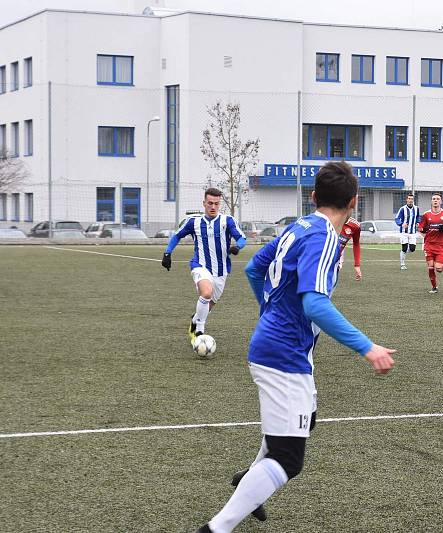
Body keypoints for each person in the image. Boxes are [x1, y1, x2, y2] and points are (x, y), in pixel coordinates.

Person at [194, 161, 395, 533]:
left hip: (283, 347)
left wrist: (270, 313)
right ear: (354, 202)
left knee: (307, 420)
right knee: (288, 458)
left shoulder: (299, 226)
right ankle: (216, 528)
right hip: (283, 353)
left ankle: (249, 480)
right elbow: (315, 303)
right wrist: (368, 348)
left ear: (314, 196)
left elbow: (255, 268)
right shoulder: (321, 237)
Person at [161, 187, 246, 343]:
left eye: (216, 204)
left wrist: (237, 247)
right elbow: (177, 236)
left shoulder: (227, 221)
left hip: (221, 270)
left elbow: (242, 238)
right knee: (206, 293)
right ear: (204, 203)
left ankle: (195, 320)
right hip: (200, 265)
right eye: (210, 203)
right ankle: (199, 332)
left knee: (209, 304)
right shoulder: (193, 221)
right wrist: (167, 253)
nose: (213, 207)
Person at [418, 193, 443, 294]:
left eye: (438, 199)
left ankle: (438, 265)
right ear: (431, 201)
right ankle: (434, 287)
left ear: (441, 201)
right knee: (430, 267)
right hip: (428, 245)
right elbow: (421, 227)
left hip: (441, 245)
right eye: (434, 199)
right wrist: (422, 229)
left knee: (438, 269)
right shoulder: (426, 214)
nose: (435, 200)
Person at [395, 193, 420, 270]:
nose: (410, 200)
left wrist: (418, 222)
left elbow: (418, 217)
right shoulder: (402, 209)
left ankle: (403, 252)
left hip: (413, 232)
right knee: (404, 248)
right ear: (406, 200)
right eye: (409, 199)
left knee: (412, 249)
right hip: (404, 232)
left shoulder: (416, 208)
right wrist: (401, 224)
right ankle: (402, 264)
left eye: (411, 199)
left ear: (413, 200)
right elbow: (397, 218)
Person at [337, 216, 362, 280]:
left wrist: (357, 265)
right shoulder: (327, 219)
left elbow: (356, 243)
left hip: (337, 257)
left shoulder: (355, 226)